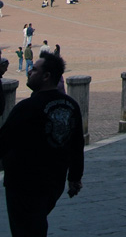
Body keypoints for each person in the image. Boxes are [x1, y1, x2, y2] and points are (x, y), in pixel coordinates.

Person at [0, 52, 84, 236]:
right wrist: (75, 177)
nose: (30, 71)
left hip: (23, 182)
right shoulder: (71, 105)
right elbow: (77, 144)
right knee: (36, 222)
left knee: (25, 228)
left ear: (46, 76)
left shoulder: (27, 108)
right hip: (54, 181)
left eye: (35, 70)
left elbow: (3, 141)